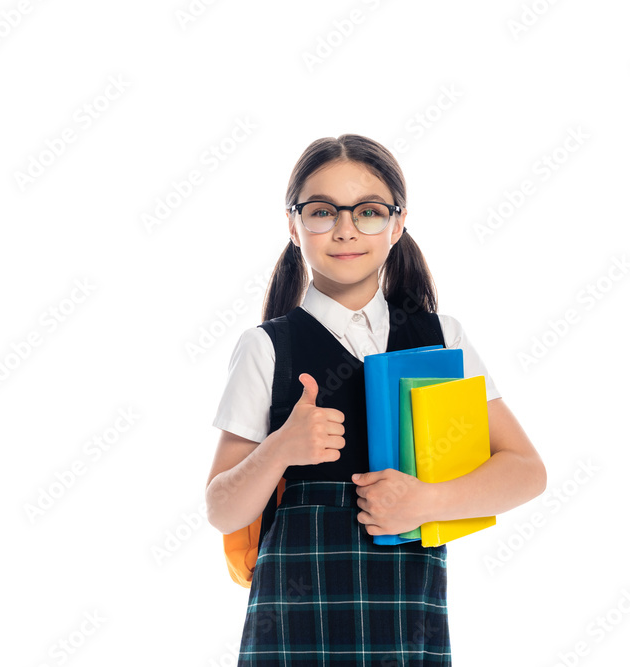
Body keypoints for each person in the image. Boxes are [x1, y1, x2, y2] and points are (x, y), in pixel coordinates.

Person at [205, 134, 547, 666]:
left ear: (397, 223)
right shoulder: (266, 347)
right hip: (294, 628)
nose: (344, 229)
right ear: (294, 226)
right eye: (322, 211)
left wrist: (425, 503)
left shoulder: (442, 338)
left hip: (408, 619)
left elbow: (526, 472)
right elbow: (221, 508)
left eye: (367, 211)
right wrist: (280, 449)